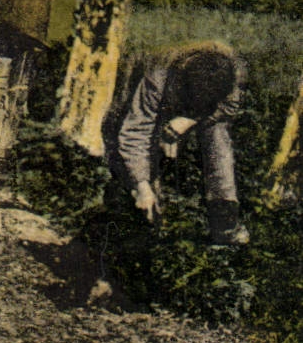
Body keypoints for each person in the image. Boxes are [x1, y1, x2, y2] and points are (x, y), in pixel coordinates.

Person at [102, 40, 249, 245]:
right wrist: (142, 186)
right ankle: (142, 197)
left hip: (200, 112)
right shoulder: (158, 76)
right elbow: (136, 132)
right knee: (130, 149)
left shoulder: (230, 74)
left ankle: (224, 215)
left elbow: (229, 107)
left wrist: (188, 120)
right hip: (156, 99)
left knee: (218, 136)